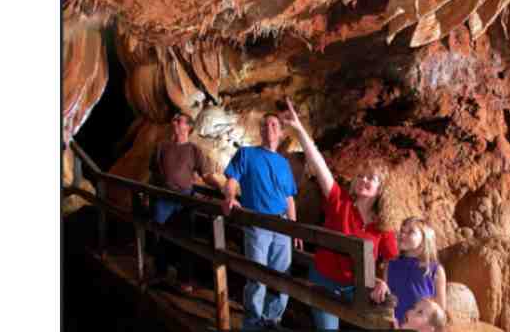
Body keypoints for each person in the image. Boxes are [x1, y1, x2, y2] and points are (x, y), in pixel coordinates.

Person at [280, 97, 398, 330]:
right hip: (325, 281)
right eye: (361, 176)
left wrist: (382, 280)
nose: (364, 180)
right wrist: (300, 130)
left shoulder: (382, 224)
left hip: (357, 286)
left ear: (380, 188)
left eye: (371, 178)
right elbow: (318, 163)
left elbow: (390, 257)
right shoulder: (339, 202)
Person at [221, 112, 300, 330]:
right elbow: (231, 180)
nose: (270, 128)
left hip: (282, 226)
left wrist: (294, 228)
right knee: (257, 278)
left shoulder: (284, 163)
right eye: (265, 125)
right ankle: (253, 324)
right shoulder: (246, 154)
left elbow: (289, 198)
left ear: (281, 133)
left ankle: (272, 320)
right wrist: (230, 198)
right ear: (261, 131)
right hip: (257, 224)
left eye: (274, 125)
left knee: (282, 279)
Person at [150, 112, 218, 293]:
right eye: (174, 119)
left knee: (186, 239)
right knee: (159, 236)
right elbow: (153, 172)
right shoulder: (161, 147)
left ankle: (184, 278)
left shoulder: (194, 150)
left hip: (184, 199)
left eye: (179, 120)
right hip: (163, 197)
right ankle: (160, 273)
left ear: (188, 127)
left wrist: (222, 189)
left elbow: (206, 175)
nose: (174, 122)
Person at [370, 218, 447, 326]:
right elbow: (385, 298)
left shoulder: (435, 270)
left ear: (425, 238)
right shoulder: (390, 264)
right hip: (393, 326)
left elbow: (440, 313)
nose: (402, 234)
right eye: (402, 230)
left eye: (411, 232)